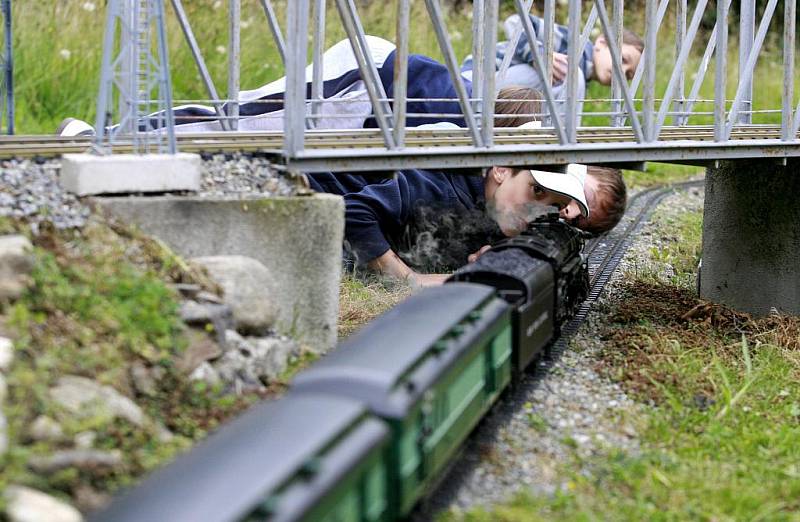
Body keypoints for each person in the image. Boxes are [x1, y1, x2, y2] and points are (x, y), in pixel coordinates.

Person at [306, 162, 625, 286]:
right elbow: (355, 213)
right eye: (537, 191)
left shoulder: (492, 205)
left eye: (553, 206)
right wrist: (410, 280)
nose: (537, 210)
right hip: (303, 206)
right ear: (501, 170)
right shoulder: (437, 185)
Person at [461, 14, 644, 122]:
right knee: (571, 74)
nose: (622, 72)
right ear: (602, 43)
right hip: (473, 82)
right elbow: (514, 21)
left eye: (628, 74)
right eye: (623, 59)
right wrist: (541, 55)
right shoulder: (573, 43)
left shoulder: (580, 79)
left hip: (496, 95)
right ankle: (563, 146)